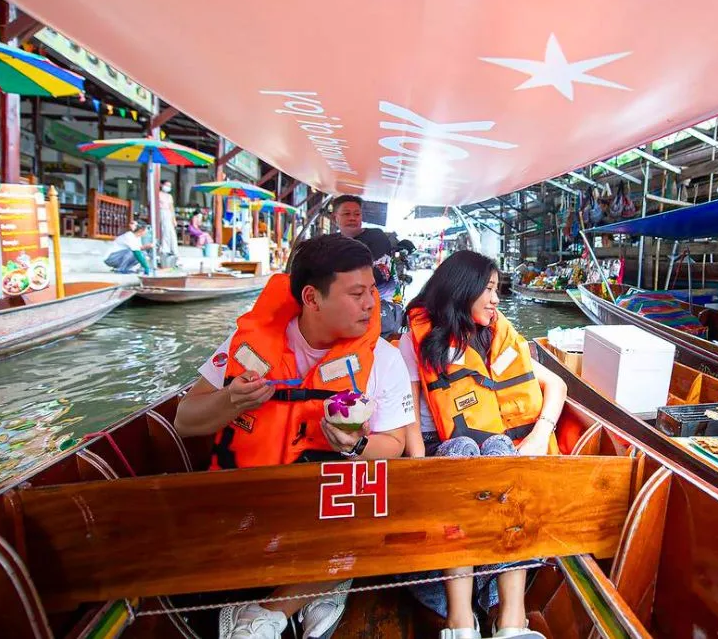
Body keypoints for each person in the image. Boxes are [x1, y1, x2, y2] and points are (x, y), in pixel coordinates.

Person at [173, 235, 415, 639]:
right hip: (251, 502)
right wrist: (230, 400)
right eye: (357, 293)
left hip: (330, 512)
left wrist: (354, 445)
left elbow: (394, 444)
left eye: (372, 289)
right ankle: (325, 584)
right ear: (312, 298)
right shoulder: (245, 347)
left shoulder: (383, 360)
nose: (372, 304)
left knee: (376, 524)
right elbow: (185, 420)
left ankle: (268, 613)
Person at [398, 251, 565, 639]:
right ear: (461, 289)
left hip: (496, 448)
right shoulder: (415, 341)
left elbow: (556, 384)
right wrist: (419, 466)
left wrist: (540, 433)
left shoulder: (494, 337)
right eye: (487, 290)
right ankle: (460, 622)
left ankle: (512, 620)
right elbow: (408, 414)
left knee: (501, 456)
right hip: (440, 447)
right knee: (462, 454)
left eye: (496, 289)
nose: (495, 299)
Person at [330, 195, 403, 333]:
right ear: (335, 218)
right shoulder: (331, 243)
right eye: (346, 214)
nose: (352, 218)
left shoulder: (376, 237)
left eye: (357, 214)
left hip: (380, 306)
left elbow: (381, 274)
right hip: (344, 306)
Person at [158, 180, 178, 265]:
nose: (168, 187)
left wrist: (174, 219)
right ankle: (165, 249)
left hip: (168, 213)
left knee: (171, 233)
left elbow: (171, 207)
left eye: (170, 186)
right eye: (166, 185)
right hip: (162, 212)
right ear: (162, 185)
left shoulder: (169, 196)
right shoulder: (158, 194)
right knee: (165, 231)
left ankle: (174, 250)